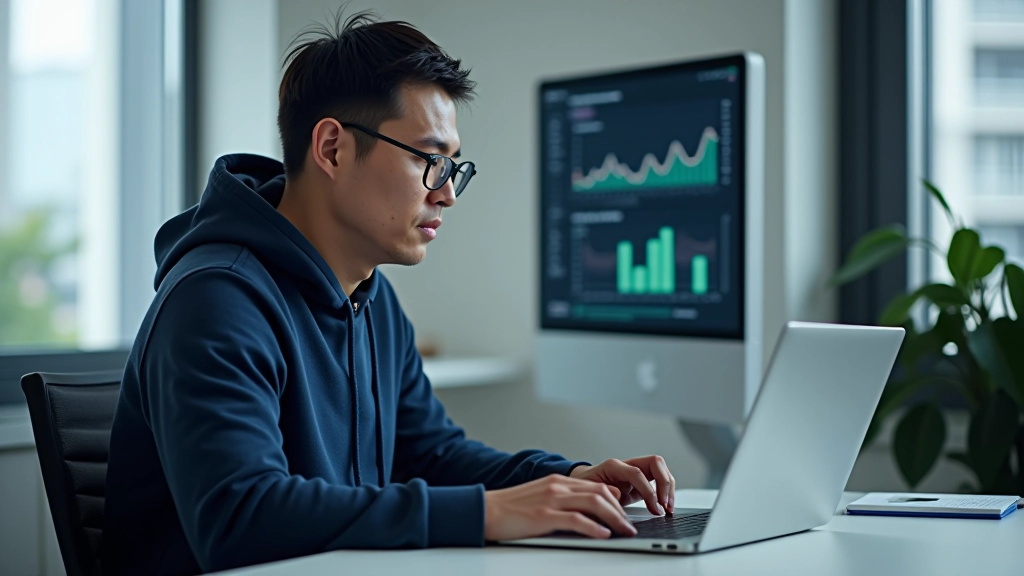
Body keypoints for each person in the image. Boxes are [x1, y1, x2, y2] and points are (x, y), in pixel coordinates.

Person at [102, 12, 676, 575]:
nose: (447, 193)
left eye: (455, 167)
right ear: (331, 148)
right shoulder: (216, 300)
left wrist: (566, 480)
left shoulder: (369, 299)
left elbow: (432, 454)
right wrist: (487, 513)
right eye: (429, 160)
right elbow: (242, 519)